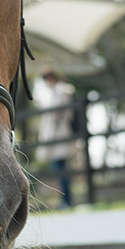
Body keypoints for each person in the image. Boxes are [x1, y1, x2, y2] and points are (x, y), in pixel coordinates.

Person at [33, 66, 77, 209]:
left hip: (61, 133)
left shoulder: (62, 91)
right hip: (53, 135)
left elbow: (54, 109)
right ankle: (64, 199)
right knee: (58, 168)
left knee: (61, 168)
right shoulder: (50, 92)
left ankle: (67, 200)